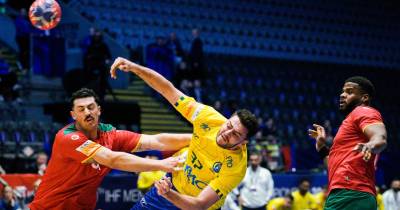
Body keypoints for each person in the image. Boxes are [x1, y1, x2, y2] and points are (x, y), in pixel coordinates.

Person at [110, 57, 258, 210]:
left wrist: (168, 194)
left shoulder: (236, 167)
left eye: (236, 134)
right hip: (170, 186)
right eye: (229, 125)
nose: (227, 132)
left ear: (243, 143)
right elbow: (167, 89)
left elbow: (199, 205)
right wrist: (135, 67)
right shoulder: (208, 117)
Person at [29, 88, 191, 210]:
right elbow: (112, 159)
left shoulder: (110, 134)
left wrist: (197, 137)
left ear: (99, 110)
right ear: (73, 115)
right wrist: (162, 164)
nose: (87, 112)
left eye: (91, 107)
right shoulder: (68, 137)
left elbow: (155, 141)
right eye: (81, 109)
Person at [308, 76, 387, 210]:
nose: (342, 95)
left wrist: (370, 145)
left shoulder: (364, 111)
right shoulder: (349, 123)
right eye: (343, 91)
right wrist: (322, 147)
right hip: (347, 193)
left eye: (349, 92)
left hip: (350, 194)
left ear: (364, 98)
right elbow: (334, 167)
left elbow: (380, 137)